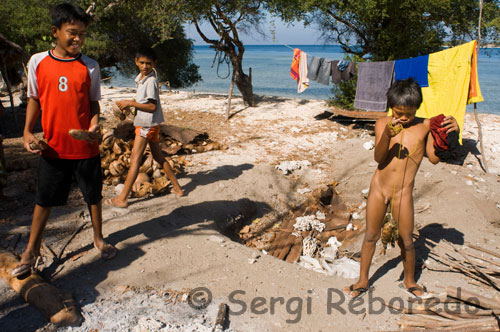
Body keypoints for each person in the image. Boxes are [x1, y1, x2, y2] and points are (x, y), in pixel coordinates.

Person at [12, 2, 116, 277]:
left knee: (93, 197)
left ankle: (98, 238)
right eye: (72, 32)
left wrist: (94, 124)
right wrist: (26, 131)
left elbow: (94, 104)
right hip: (53, 149)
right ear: (55, 31)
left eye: (82, 34)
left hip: (85, 147)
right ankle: (31, 250)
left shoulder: (90, 66)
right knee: (44, 200)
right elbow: (35, 99)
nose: (78, 39)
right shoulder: (37, 61)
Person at [344, 78, 459, 299]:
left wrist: (451, 133)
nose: (404, 118)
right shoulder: (381, 124)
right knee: (371, 235)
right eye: (398, 112)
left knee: (406, 239)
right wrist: (388, 134)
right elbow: (379, 158)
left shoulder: (424, 126)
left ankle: (409, 281)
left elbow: (434, 159)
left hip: (402, 192)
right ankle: (362, 280)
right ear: (390, 106)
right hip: (379, 188)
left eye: (409, 113)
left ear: (418, 107)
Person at [106, 47, 183, 208]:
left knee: (135, 160)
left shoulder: (150, 81)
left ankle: (122, 198)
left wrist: (130, 103)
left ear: (154, 63)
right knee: (158, 157)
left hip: (146, 125)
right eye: (142, 62)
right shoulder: (142, 78)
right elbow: (144, 103)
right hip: (150, 124)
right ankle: (178, 188)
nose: (145, 66)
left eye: (148, 63)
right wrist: (131, 106)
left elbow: (151, 106)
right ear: (136, 62)